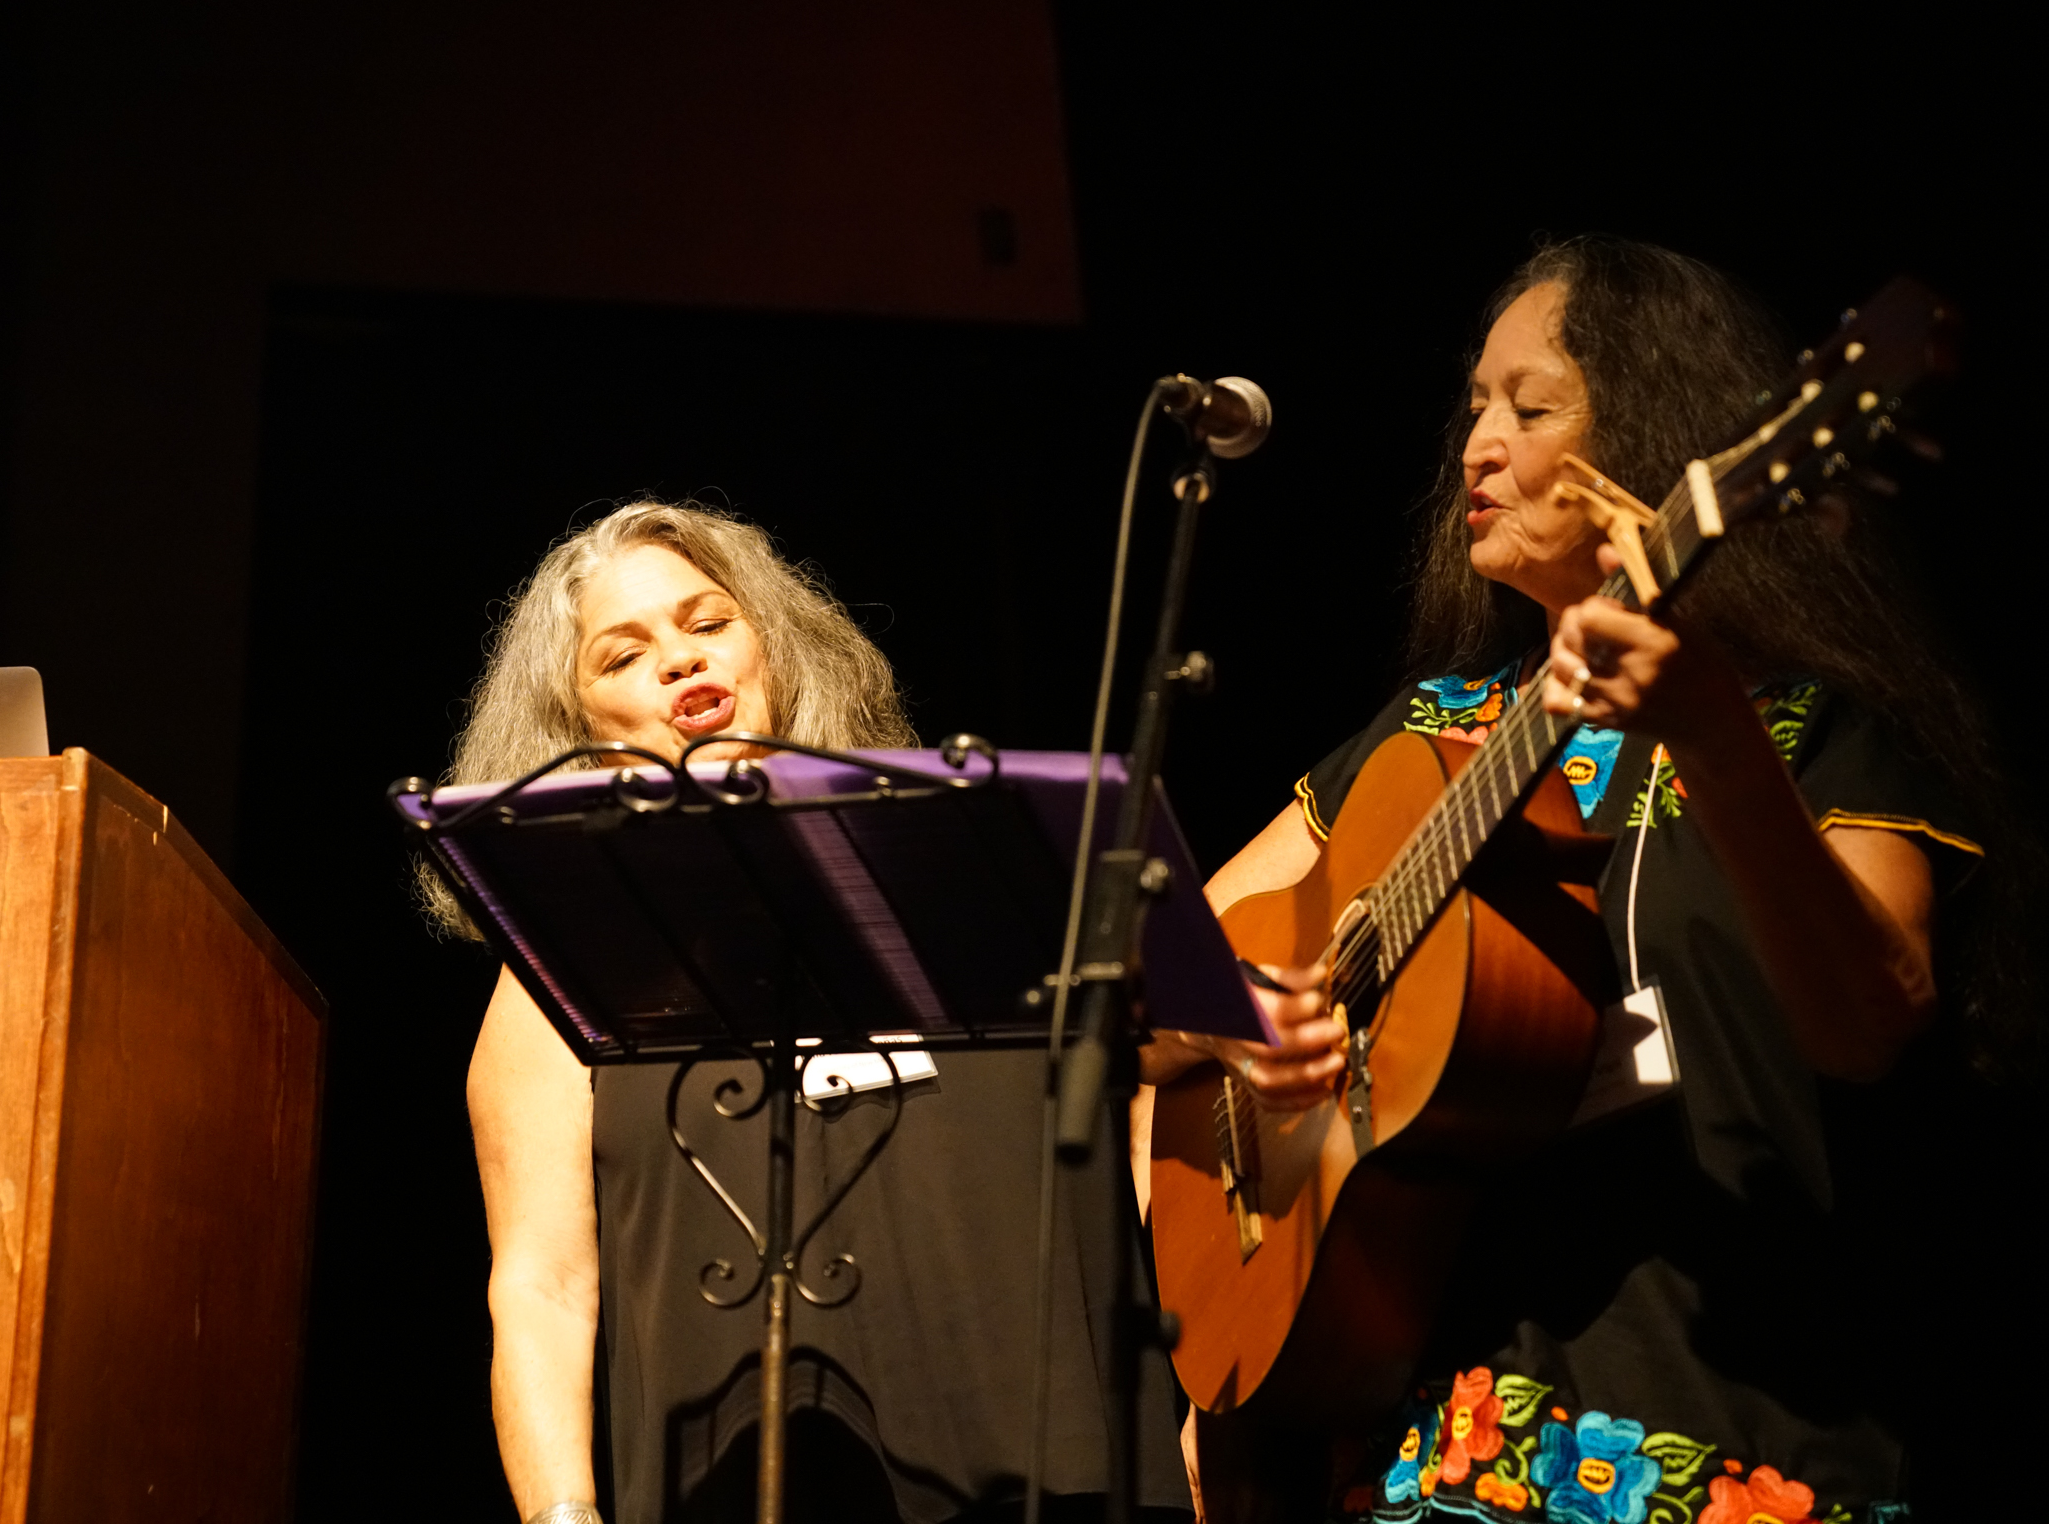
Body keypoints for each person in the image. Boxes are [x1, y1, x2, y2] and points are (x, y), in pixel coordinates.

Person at [1141, 238, 2013, 1522]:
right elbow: (1156, 970)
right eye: (1476, 406)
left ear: (1658, 440)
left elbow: (1874, 1017)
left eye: (1530, 407)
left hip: (1739, 1435)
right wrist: (1244, 1018)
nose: (1476, 448)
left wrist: (1712, 735)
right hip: (1433, 1441)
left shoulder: (1807, 731)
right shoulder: (1434, 734)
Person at [425, 500, 1191, 1524]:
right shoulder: (561, 963)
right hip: (736, 1478)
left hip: (1055, 1465)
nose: (679, 661)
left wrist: (1208, 1408)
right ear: (578, 729)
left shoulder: (978, 861)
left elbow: (1143, 1132)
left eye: (707, 622)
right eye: (623, 654)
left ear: (771, 646)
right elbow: (543, 1284)